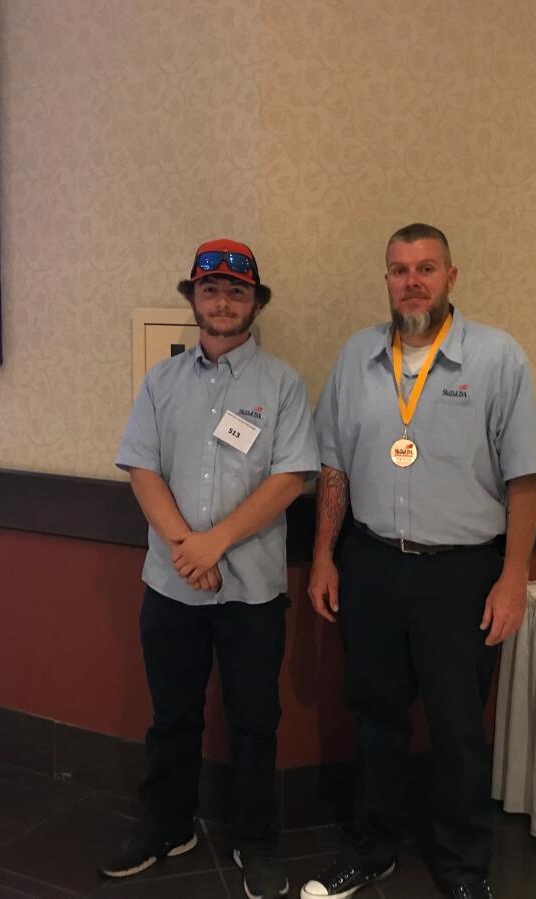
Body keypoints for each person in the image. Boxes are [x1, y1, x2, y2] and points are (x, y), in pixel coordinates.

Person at [303, 224, 536, 899]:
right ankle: (374, 846)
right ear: (385, 278)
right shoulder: (357, 357)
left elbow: (525, 479)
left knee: (458, 729)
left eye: (426, 268)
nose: (411, 280)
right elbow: (332, 466)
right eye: (398, 269)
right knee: (376, 717)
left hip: (460, 574)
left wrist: (514, 574)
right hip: (374, 564)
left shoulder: (498, 360)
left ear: (451, 276)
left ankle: (466, 868)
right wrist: (324, 555)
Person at [102, 239, 318, 899]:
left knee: (256, 721)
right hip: (171, 586)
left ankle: (257, 845)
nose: (223, 302)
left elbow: (291, 479)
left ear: (255, 303)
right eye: (211, 289)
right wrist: (183, 547)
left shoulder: (280, 383)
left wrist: (213, 542)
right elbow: (141, 467)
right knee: (172, 715)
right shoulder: (161, 382)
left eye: (237, 291)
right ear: (192, 298)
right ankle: (168, 824)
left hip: (251, 590)